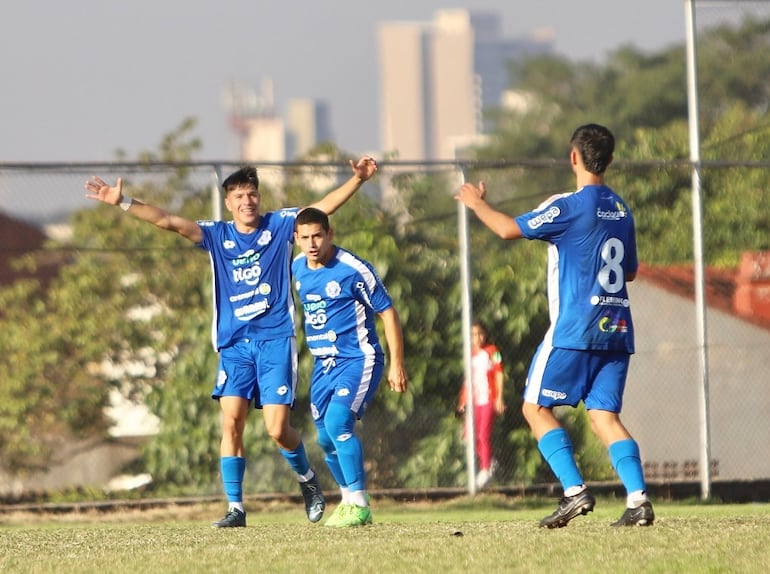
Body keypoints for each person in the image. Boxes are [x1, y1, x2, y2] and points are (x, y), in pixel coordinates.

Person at [84, 156, 379, 528]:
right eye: (239, 195)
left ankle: (308, 481)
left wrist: (358, 180)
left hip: (274, 341)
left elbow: (321, 209)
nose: (247, 201)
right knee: (231, 422)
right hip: (234, 345)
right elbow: (168, 222)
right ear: (228, 203)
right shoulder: (216, 235)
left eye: (252, 194)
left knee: (277, 429)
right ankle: (236, 508)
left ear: (259, 197)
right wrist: (124, 202)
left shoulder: (281, 225)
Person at [455, 123, 654, 528]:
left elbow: (508, 229)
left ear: (574, 158)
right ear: (611, 160)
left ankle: (574, 492)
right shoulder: (621, 208)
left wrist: (476, 204)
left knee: (535, 408)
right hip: (616, 330)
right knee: (604, 418)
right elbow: (629, 271)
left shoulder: (568, 205)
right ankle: (638, 500)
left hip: (574, 329)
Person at [291, 207, 408, 527]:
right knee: (325, 439)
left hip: (359, 359)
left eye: (318, 235)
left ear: (330, 234)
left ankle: (359, 503)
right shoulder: (297, 267)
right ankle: (347, 500)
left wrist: (397, 363)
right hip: (322, 366)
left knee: (339, 422)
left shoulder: (353, 269)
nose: (312, 243)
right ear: (296, 239)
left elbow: (388, 312)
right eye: (305, 237)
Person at [456, 320, 505, 489]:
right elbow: (467, 381)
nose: (477, 337)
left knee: (483, 434)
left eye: (480, 333)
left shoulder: (493, 352)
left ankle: (485, 468)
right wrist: (463, 401)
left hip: (488, 399)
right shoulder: (469, 354)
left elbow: (499, 374)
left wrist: (499, 397)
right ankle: (488, 460)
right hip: (473, 401)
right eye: (473, 334)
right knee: (469, 436)